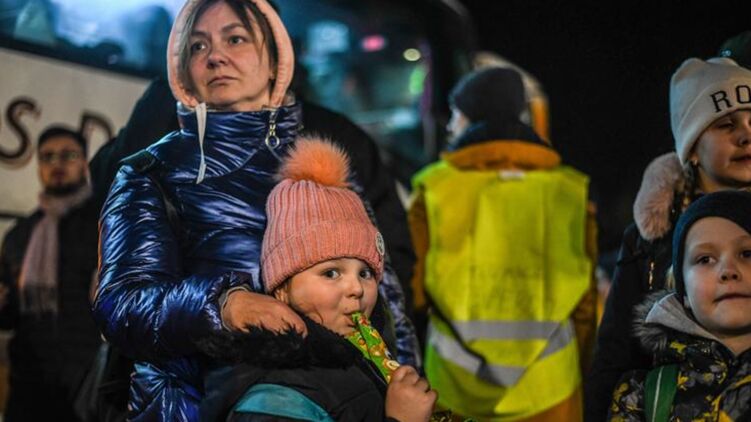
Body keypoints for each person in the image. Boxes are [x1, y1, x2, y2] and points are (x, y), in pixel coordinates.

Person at [93, 1, 417, 420]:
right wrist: (222, 306)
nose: (215, 56)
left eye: (235, 39)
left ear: (276, 59)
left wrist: (401, 381)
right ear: (182, 67)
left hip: (333, 404)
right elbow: (121, 304)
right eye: (197, 46)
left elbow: (386, 300)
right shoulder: (150, 172)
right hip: (196, 408)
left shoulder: (319, 164)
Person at [408, 66, 597, 420]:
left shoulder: (434, 188)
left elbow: (413, 293)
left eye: (456, 114)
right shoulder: (569, 190)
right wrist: (583, 369)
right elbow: (585, 307)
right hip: (551, 390)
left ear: (473, 118)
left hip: (454, 386)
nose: (450, 126)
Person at [200, 138, 436, 421]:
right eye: (331, 273)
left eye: (365, 273)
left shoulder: (364, 354)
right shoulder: (277, 396)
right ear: (282, 289)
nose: (356, 288)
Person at [587, 57, 751, 421]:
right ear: (691, 149)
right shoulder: (649, 239)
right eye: (725, 124)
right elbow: (615, 355)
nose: (745, 134)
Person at [608, 190, 751, 420]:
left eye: (747, 253)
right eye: (705, 259)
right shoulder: (642, 396)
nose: (728, 271)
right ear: (682, 290)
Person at [0, 126, 100, 421]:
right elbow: (11, 317)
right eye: (48, 157)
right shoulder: (20, 235)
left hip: (89, 385)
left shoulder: (104, 224)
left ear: (84, 163)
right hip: (30, 384)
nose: (57, 164)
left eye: (68, 155)